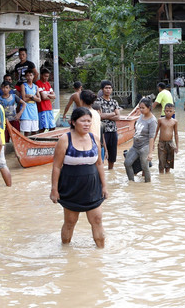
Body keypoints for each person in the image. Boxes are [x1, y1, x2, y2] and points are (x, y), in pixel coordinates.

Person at [49, 107, 107, 248]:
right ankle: (65, 251)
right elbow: (56, 166)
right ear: (73, 122)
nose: (87, 124)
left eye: (89, 121)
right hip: (71, 187)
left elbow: (99, 164)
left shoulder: (94, 139)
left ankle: (101, 253)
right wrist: (54, 190)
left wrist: (104, 186)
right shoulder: (65, 140)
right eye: (83, 121)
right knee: (70, 222)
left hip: (92, 187)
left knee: (97, 219)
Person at [124, 98, 157, 183]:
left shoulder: (152, 121)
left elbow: (151, 137)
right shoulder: (141, 117)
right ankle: (131, 183)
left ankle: (147, 185)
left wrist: (150, 153)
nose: (141, 110)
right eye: (140, 108)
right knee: (127, 163)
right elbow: (136, 131)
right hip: (135, 146)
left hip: (144, 147)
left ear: (149, 108)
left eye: (143, 108)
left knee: (145, 167)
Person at [97, 80, 121, 169]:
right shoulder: (98, 101)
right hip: (103, 132)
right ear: (102, 89)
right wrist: (112, 114)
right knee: (102, 153)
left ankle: (111, 171)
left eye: (110, 88)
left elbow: (118, 117)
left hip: (113, 130)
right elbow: (99, 116)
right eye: (106, 88)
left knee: (113, 154)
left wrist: (105, 116)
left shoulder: (114, 102)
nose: (108, 90)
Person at [154, 103, 179, 174]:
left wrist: (177, 146)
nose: (168, 113)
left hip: (170, 143)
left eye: (170, 111)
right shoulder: (160, 120)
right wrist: (153, 143)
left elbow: (176, 134)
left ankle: (167, 177)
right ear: (164, 111)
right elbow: (156, 131)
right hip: (161, 143)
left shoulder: (174, 121)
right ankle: (161, 176)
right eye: (167, 111)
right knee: (161, 162)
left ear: (173, 112)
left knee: (169, 162)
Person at [20, 70, 41, 136]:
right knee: (26, 131)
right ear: (25, 77)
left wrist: (30, 96)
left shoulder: (36, 87)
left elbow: (39, 99)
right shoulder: (23, 85)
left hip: (33, 109)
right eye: (27, 76)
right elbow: (24, 98)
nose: (29, 77)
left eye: (31, 75)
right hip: (26, 109)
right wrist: (33, 97)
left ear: (33, 76)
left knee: (34, 130)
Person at [36, 68, 57, 133]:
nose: (46, 78)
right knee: (42, 128)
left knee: (52, 127)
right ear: (41, 75)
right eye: (45, 76)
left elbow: (54, 96)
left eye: (47, 76)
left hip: (49, 108)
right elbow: (43, 97)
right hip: (42, 108)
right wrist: (50, 96)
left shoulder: (48, 84)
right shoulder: (38, 83)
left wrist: (47, 95)